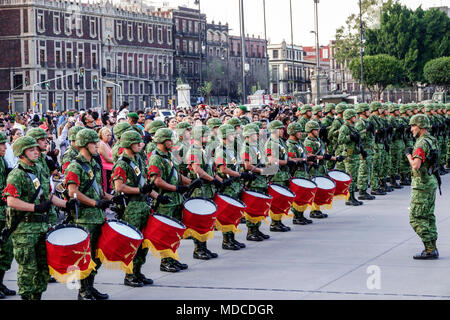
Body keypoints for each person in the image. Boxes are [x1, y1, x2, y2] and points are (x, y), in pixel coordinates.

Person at [4, 136, 75, 300]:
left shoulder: (39, 170)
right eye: (31, 150)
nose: (36, 152)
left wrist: (67, 204)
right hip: (25, 230)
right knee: (28, 269)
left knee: (44, 268)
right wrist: (34, 208)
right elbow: (11, 200)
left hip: (42, 228)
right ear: (21, 154)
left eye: (36, 149)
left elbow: (48, 196)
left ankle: (37, 297)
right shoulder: (16, 174)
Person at [111, 130, 170, 287]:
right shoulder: (122, 163)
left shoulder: (138, 159)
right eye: (137, 143)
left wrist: (158, 197)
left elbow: (145, 185)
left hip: (143, 205)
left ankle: (137, 271)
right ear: (129, 145)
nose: (140, 145)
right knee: (133, 243)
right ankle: (129, 275)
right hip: (131, 207)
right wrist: (139, 191)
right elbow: (119, 187)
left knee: (143, 243)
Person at [64, 129, 116, 300]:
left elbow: (98, 189)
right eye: (94, 143)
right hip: (84, 218)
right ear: (85, 145)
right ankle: (83, 291)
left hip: (98, 217)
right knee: (83, 257)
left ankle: (90, 287)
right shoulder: (75, 166)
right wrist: (95, 203)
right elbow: (73, 191)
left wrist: (111, 198)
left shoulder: (94, 163)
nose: (97, 145)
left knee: (96, 256)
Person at [147, 128, 200, 272]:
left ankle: (173, 258)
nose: (172, 142)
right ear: (163, 141)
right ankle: (165, 262)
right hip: (165, 200)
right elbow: (157, 181)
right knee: (166, 232)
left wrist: (190, 182)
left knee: (174, 232)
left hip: (175, 199)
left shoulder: (169, 155)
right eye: (170, 140)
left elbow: (177, 174)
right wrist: (176, 189)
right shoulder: (155, 158)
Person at [405, 114, 439, 260]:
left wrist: (407, 154)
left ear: (420, 126)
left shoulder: (421, 143)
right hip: (431, 181)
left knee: (415, 218)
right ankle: (433, 247)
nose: (411, 129)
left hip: (422, 184)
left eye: (413, 126)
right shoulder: (431, 139)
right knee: (429, 216)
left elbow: (416, 165)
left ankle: (430, 249)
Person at [186, 125, 220, 260]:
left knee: (206, 220)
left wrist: (218, 180)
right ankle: (198, 249)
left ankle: (203, 247)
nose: (207, 137)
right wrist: (212, 180)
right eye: (205, 134)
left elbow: (210, 169)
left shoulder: (204, 150)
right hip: (200, 189)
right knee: (199, 220)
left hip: (208, 188)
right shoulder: (194, 151)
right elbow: (197, 170)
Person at [0, 132, 15, 299]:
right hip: (2, 208)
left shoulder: (2, 160)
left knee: (5, 251)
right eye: (1, 144)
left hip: (3, 211)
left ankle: (1, 283)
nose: (5, 147)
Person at [338, 109, 364, 206]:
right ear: (349, 118)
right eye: (353, 116)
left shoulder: (352, 127)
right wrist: (350, 137)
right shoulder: (345, 127)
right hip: (349, 154)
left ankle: (352, 196)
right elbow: (340, 140)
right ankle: (349, 197)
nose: (355, 118)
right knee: (350, 178)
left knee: (354, 177)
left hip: (355, 153)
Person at [98, 127, 114, 194]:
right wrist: (117, 161)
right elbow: (107, 158)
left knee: (109, 187)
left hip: (109, 169)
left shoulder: (106, 143)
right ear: (102, 135)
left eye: (110, 135)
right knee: (106, 187)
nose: (109, 137)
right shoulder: (102, 144)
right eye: (107, 135)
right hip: (105, 169)